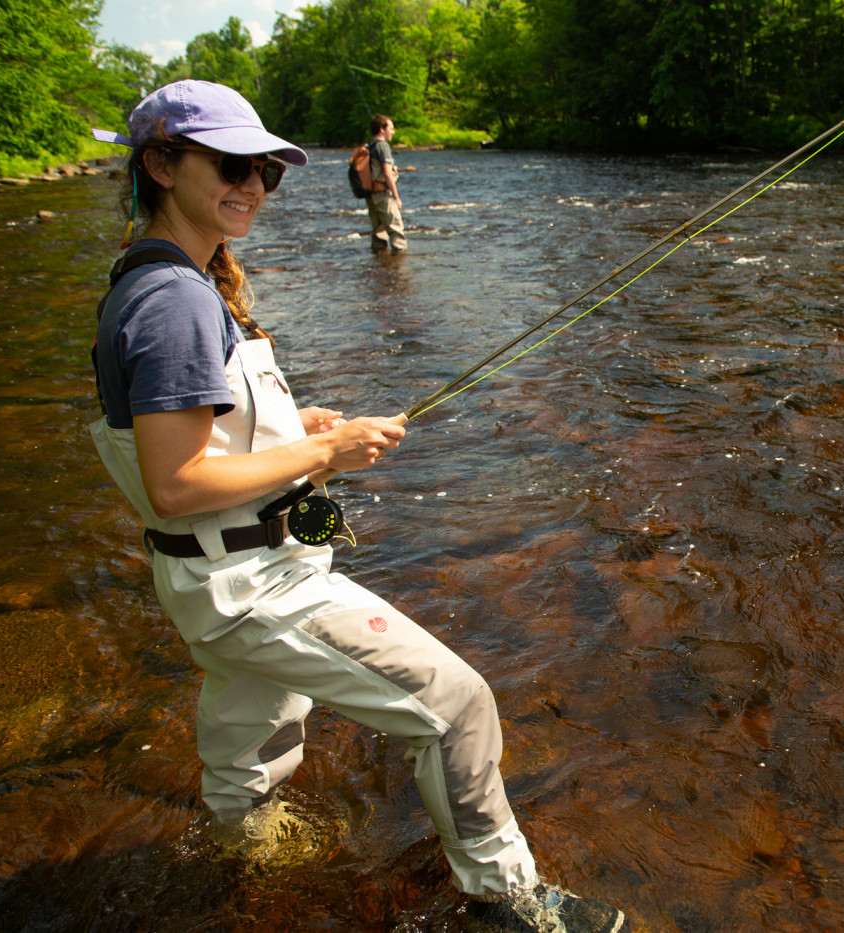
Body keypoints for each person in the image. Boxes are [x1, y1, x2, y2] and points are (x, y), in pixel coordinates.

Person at [88, 80, 622, 933]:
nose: (254, 185)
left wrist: (293, 427)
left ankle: (235, 870)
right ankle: (507, 901)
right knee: (457, 704)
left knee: (250, 741)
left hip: (214, 576)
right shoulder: (176, 301)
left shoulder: (164, 277)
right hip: (251, 585)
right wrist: (325, 452)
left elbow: (187, 441)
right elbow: (176, 483)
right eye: (232, 164)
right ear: (159, 164)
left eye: (267, 170)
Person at [366, 113, 407, 252]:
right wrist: (396, 197)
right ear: (382, 129)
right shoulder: (383, 146)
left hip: (371, 195)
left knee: (378, 234)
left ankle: (380, 266)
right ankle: (399, 269)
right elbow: (387, 173)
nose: (393, 132)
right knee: (396, 232)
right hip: (383, 195)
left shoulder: (370, 145)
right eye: (391, 128)